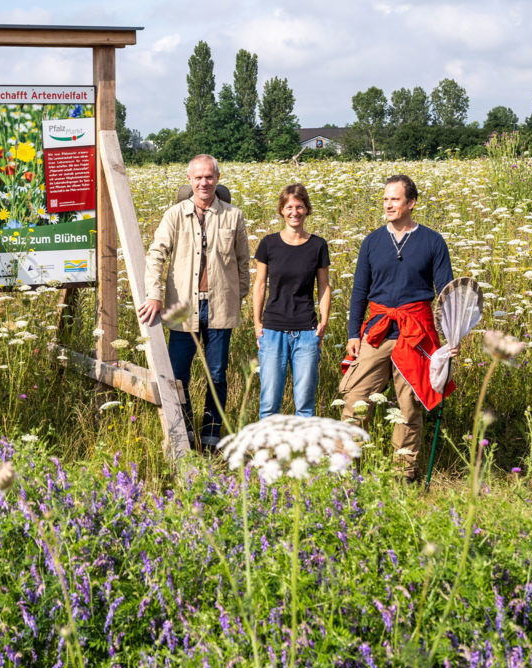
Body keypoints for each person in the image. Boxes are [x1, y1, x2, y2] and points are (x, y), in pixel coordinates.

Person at [340, 174, 455, 481]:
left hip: (416, 334)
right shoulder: (373, 241)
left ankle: (403, 476)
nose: (388, 204)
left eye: (394, 199)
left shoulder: (433, 241)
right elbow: (359, 292)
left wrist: (450, 337)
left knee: (408, 410)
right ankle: (347, 473)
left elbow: (446, 293)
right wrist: (354, 333)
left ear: (411, 203)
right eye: (386, 199)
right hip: (376, 333)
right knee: (355, 401)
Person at [138, 154, 250, 449]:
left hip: (220, 306)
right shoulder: (174, 215)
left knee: (216, 374)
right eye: (198, 177)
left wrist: (236, 296)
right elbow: (156, 255)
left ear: (217, 179)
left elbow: (242, 262)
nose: (204, 182)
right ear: (189, 180)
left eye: (209, 177)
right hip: (182, 306)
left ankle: (212, 437)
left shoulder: (233, 216)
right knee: (178, 375)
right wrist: (154, 294)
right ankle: (184, 433)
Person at [252, 183, 331, 418]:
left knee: (305, 403)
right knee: (269, 402)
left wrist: (324, 322)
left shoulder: (318, 245)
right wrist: (257, 322)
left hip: (307, 331)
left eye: (299, 206)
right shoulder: (268, 243)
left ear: (307, 209)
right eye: (288, 207)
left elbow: (324, 286)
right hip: (272, 330)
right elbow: (259, 284)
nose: (294, 212)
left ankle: (301, 453)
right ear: (281, 210)